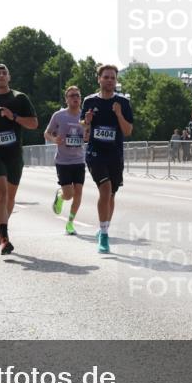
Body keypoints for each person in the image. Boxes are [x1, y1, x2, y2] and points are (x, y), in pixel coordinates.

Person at [0, 64, 38, 254]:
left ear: (9, 78)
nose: (1, 76)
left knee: (10, 197)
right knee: (1, 196)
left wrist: (14, 116)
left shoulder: (19, 98)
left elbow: (34, 124)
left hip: (14, 155)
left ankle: (2, 229)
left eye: (4, 73)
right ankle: (4, 238)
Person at [81, 64, 134, 254]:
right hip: (95, 153)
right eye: (106, 77)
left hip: (115, 154)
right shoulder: (89, 101)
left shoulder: (123, 103)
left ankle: (104, 228)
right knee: (104, 189)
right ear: (99, 79)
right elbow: (84, 132)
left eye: (112, 77)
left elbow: (127, 131)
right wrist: (86, 122)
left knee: (111, 194)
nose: (109, 80)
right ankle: (104, 235)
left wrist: (119, 114)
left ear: (116, 80)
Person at [45, 86, 86, 235]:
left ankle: (70, 222)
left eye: (78, 95)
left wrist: (87, 133)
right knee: (69, 194)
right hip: (63, 161)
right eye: (72, 95)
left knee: (79, 192)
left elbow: (88, 135)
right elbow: (46, 133)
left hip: (79, 160)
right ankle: (61, 196)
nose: (75, 98)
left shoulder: (84, 117)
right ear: (66, 99)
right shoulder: (59, 115)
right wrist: (55, 139)